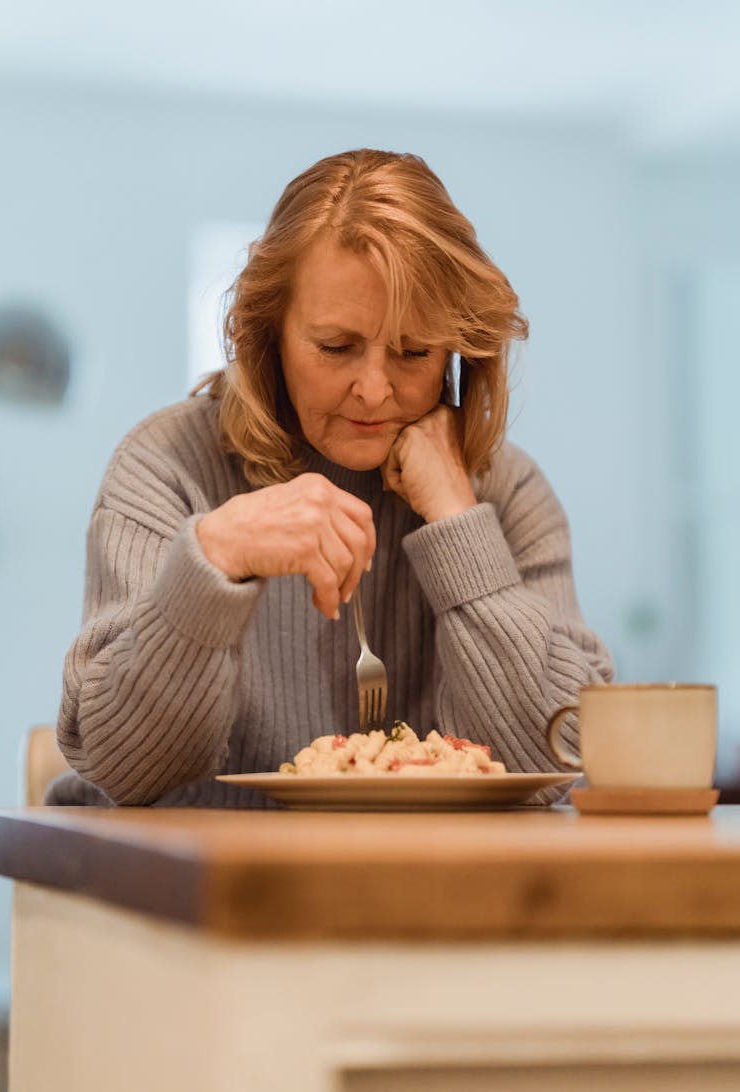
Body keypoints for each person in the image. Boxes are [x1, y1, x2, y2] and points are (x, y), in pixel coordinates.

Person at [51, 148, 613, 808]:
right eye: (337, 347)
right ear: (269, 336)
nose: (374, 390)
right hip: (204, 896)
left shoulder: (506, 491)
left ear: (458, 350)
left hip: (427, 898)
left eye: (413, 351)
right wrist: (214, 559)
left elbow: (562, 758)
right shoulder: (166, 464)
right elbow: (128, 768)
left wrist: (459, 524)